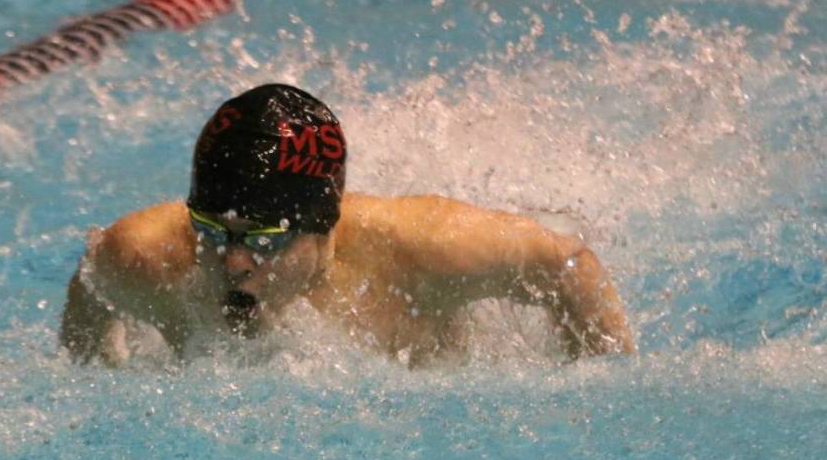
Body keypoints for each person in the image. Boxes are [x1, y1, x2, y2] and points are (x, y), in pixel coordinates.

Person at [60, 83, 635, 367]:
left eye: (262, 239)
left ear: (321, 224)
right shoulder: (142, 253)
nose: (232, 260)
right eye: (212, 228)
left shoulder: (425, 250)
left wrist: (595, 385)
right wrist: (104, 380)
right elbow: (93, 282)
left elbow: (566, 264)